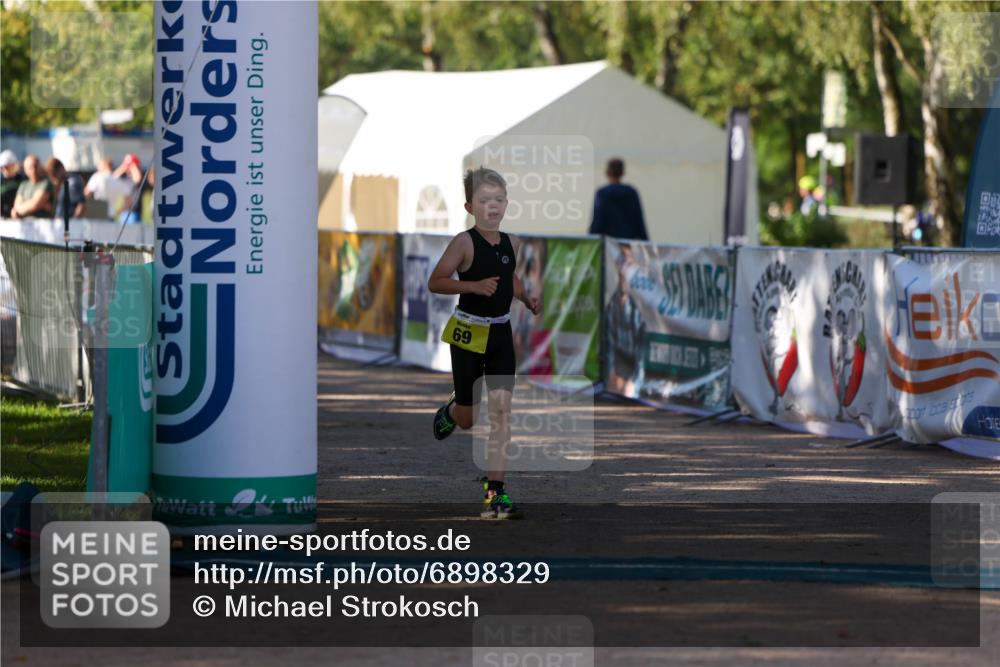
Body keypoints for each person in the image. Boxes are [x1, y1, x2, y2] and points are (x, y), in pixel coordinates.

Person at [427, 167, 539, 520]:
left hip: (501, 334)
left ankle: (495, 493)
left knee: (502, 413)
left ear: (507, 203)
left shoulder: (513, 242)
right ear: (470, 206)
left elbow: (510, 277)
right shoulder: (463, 242)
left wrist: (523, 297)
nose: (493, 206)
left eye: (499, 200)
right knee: (468, 420)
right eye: (484, 200)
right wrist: (473, 287)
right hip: (468, 333)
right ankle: (452, 410)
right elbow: (437, 281)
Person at [589, 158, 648, 240]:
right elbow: (639, 223)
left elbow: (597, 223)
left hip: (608, 245)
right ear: (622, 173)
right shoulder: (632, 192)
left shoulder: (602, 193)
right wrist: (646, 242)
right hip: (628, 245)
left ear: (607, 173)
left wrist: (591, 241)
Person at [0, 150, 24, 219]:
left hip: (19, 218)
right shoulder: (1, 181)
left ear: (14, 165)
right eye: (1, 168)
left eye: (6, 167)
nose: (4, 170)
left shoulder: (23, 180)